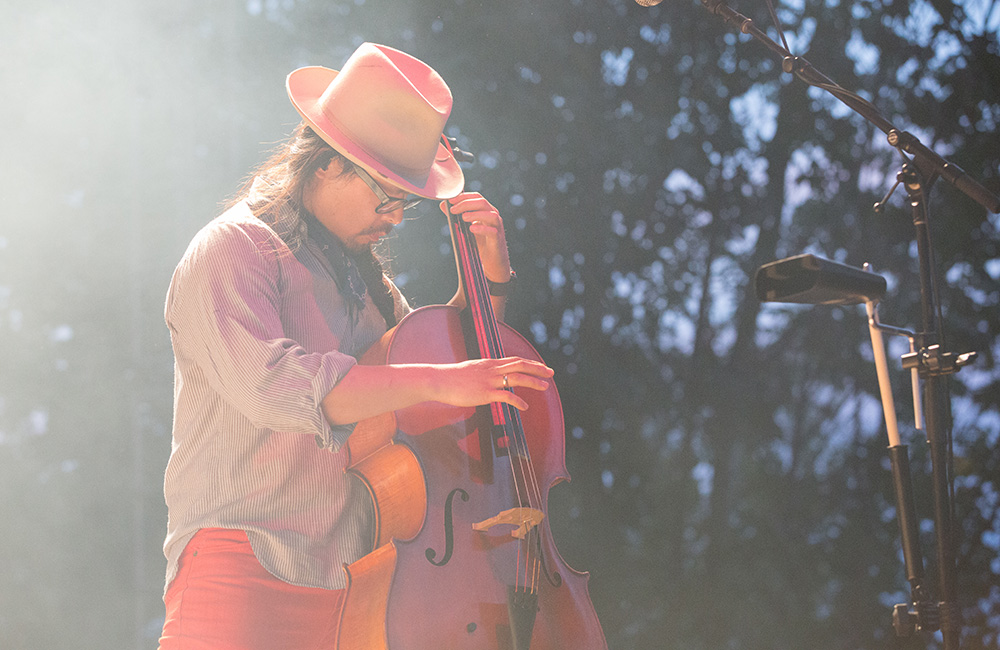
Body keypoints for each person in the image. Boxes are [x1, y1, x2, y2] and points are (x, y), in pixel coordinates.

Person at [157, 42, 554, 649]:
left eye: (405, 203)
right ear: (326, 164)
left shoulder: (362, 280)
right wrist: (441, 380)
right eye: (386, 195)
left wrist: (488, 284)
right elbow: (278, 388)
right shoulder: (234, 247)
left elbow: (431, 370)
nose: (394, 218)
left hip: (357, 580)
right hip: (242, 567)